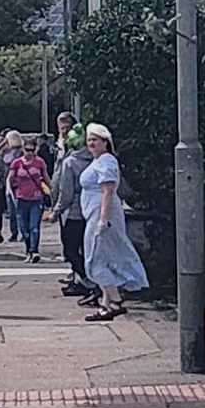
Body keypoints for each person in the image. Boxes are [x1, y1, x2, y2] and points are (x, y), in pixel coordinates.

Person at [80, 123, 148, 320]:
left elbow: (108, 191)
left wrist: (103, 219)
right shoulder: (98, 161)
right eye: (89, 140)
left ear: (105, 142)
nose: (91, 143)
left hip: (102, 215)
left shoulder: (107, 161)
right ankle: (106, 303)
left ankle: (115, 300)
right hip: (95, 213)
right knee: (104, 257)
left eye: (95, 140)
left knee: (94, 258)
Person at [46, 115, 94, 295]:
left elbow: (66, 190)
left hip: (73, 210)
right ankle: (80, 280)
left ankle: (88, 281)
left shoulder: (71, 161)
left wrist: (56, 211)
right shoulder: (95, 158)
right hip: (88, 209)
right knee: (83, 247)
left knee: (71, 249)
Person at [7, 136, 50, 262]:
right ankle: (28, 250)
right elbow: (10, 179)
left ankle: (34, 251)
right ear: (23, 149)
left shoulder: (40, 162)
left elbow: (46, 177)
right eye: (27, 149)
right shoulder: (17, 163)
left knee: (34, 226)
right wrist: (11, 193)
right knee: (24, 228)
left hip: (36, 198)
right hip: (21, 198)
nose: (29, 152)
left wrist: (51, 192)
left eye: (32, 150)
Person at [0, 130, 25, 243]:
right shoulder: (6, 152)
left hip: (17, 184)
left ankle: (21, 233)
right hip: (8, 183)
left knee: (18, 211)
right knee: (12, 212)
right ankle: (14, 233)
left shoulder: (19, 152)